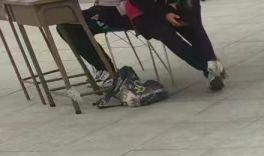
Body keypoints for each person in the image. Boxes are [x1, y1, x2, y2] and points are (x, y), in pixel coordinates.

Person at [57, 0, 226, 91]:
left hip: (133, 10)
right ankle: (210, 65)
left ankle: (209, 65)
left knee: (180, 26)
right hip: (134, 8)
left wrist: (164, 12)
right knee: (66, 25)